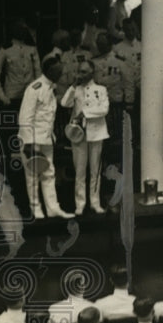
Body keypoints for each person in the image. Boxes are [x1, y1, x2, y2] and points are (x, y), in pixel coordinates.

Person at [18, 54, 73, 219]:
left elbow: (57, 110)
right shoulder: (34, 88)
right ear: (49, 70)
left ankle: (52, 208)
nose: (60, 74)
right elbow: (25, 117)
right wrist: (28, 143)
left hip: (46, 138)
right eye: (58, 71)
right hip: (32, 139)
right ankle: (36, 209)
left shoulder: (51, 88)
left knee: (49, 173)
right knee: (33, 176)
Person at [59, 59, 109, 215]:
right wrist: (73, 85)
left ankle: (95, 202)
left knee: (95, 171)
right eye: (79, 71)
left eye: (84, 72)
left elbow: (104, 109)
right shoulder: (76, 89)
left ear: (91, 72)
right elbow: (64, 103)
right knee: (80, 171)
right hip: (78, 135)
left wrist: (85, 114)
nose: (80, 74)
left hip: (96, 133)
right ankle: (80, 204)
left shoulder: (100, 89)